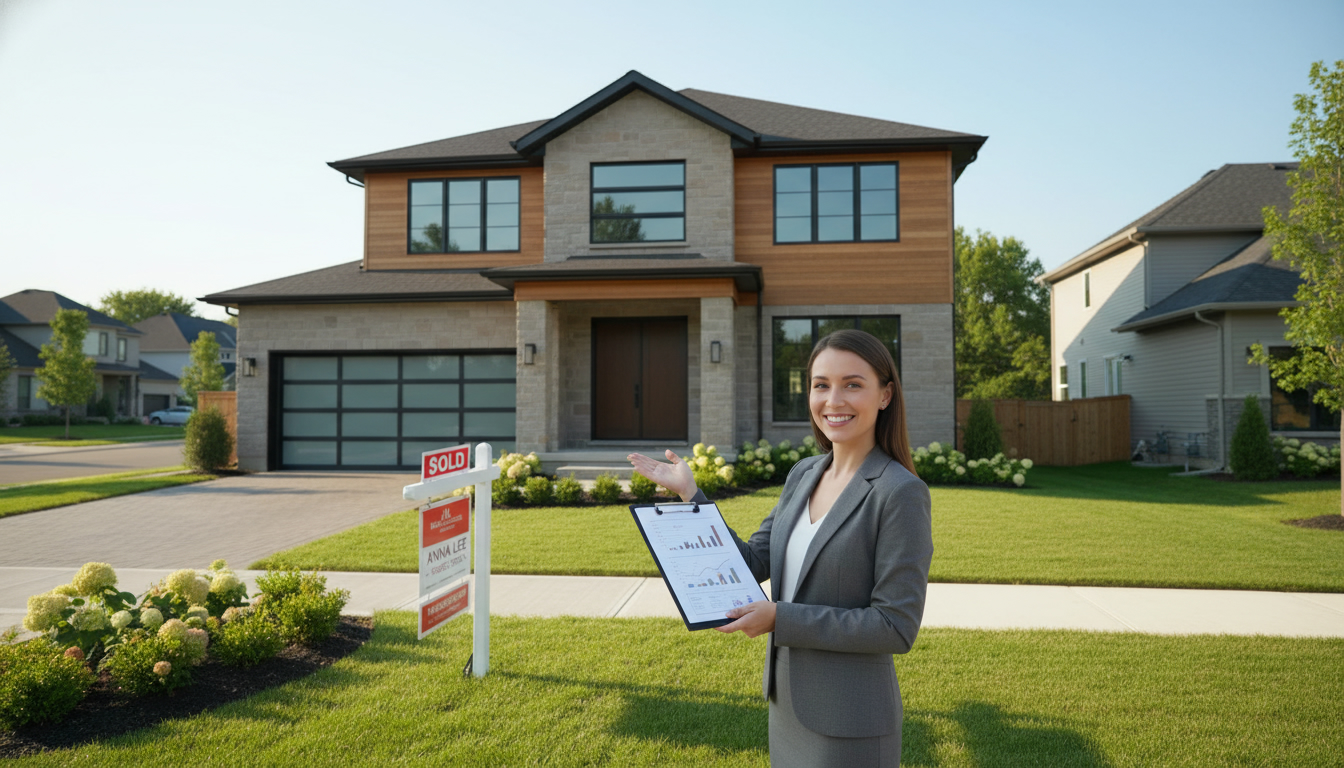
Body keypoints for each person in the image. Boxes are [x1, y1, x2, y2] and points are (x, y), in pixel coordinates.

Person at [628, 329, 932, 767]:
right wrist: (690, 495)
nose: (834, 400)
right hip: (787, 705)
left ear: (885, 395)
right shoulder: (804, 473)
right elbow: (752, 562)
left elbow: (895, 626)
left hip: (850, 722)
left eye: (853, 384)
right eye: (821, 385)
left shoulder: (899, 492)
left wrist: (780, 618)